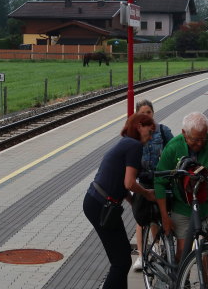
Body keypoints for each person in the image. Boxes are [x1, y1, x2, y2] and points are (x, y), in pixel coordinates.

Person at [83, 112, 157, 289]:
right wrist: (147, 194)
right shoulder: (134, 146)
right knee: (121, 262)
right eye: (150, 130)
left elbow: (119, 179)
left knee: (122, 256)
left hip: (97, 201)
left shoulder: (125, 143)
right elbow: (129, 182)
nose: (152, 135)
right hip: (101, 205)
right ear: (139, 126)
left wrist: (133, 202)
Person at [154, 111, 208, 261]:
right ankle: (184, 282)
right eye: (195, 140)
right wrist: (165, 216)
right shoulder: (173, 148)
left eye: (203, 138)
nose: (200, 143)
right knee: (183, 251)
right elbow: (159, 183)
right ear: (184, 133)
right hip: (183, 207)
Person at [132, 99, 174, 272]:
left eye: (148, 112)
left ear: (153, 113)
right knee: (141, 220)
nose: (146, 115)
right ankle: (142, 256)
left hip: (162, 181)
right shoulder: (134, 134)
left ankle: (157, 247)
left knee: (159, 215)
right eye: (142, 112)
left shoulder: (163, 131)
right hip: (144, 181)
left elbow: (174, 151)